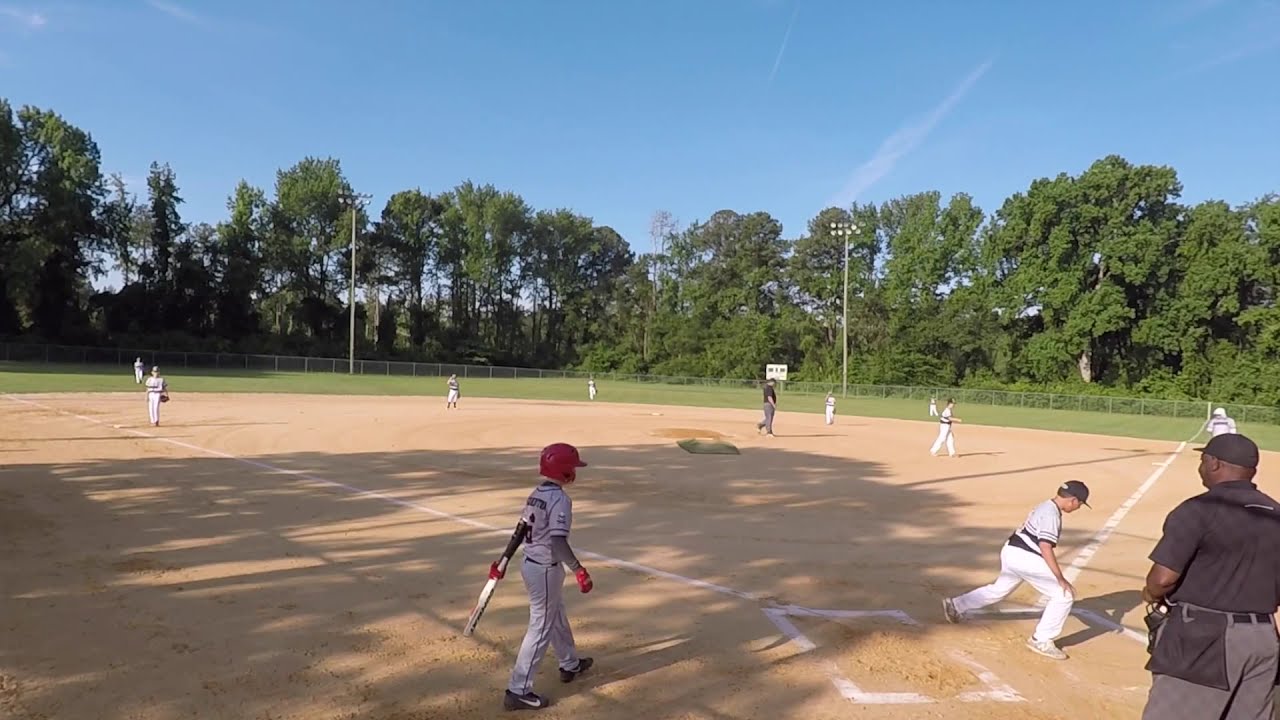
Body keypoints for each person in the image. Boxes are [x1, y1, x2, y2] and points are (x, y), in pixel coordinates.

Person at [1139, 433, 1279, 720]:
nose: (1201, 466)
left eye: (1203, 460)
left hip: (1204, 640)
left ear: (1214, 463)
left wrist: (1151, 594)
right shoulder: (1276, 514)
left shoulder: (1199, 509)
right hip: (1264, 639)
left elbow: (1163, 579)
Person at [942, 480, 1091, 660]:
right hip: (1025, 558)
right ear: (1073, 500)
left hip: (1011, 551)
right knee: (1064, 595)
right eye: (1080, 504)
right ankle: (1041, 640)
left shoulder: (1045, 506)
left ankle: (956, 605)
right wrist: (1060, 578)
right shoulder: (1052, 514)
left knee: (999, 590)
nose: (1078, 508)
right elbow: (1045, 546)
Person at [503, 442, 595, 711]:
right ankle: (517, 690)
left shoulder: (536, 493)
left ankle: (569, 663)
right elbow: (557, 542)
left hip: (532, 565)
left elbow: (520, 529)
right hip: (544, 567)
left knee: (555, 615)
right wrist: (579, 569)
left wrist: (505, 558)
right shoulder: (560, 499)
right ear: (565, 471)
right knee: (541, 626)